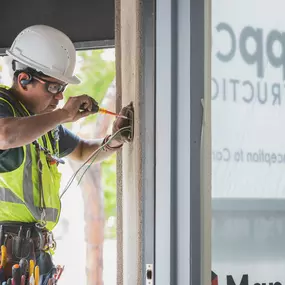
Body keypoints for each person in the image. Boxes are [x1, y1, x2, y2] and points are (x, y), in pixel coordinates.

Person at [0, 25, 132, 284]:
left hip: (34, 258)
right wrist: (63, 115)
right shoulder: (5, 109)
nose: (60, 97)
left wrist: (113, 142)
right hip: (7, 259)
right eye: (53, 87)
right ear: (24, 79)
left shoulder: (45, 127)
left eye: (62, 88)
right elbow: (5, 135)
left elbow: (82, 151)